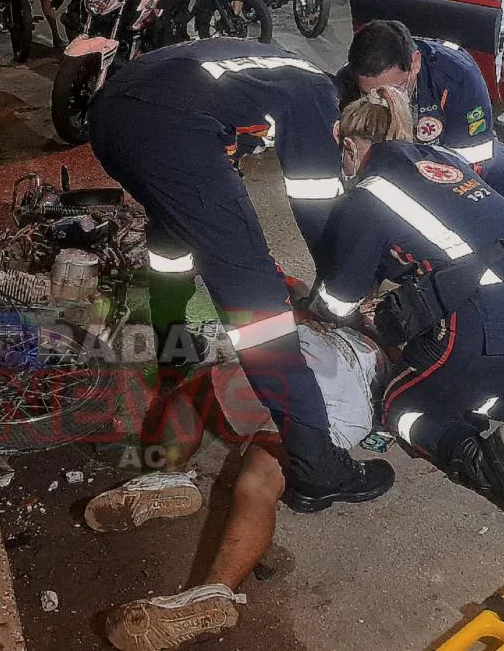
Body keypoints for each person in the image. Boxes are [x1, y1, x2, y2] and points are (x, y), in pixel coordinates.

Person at [85, 37, 395, 649]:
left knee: (175, 254)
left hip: (113, 117)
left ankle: (164, 468)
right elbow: (315, 208)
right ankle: (318, 468)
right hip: (168, 127)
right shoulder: (311, 97)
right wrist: (343, 287)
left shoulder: (273, 70)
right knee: (254, 303)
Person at [309, 85, 504, 535]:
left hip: (501, 327)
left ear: (347, 144)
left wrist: (347, 312)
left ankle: (482, 463)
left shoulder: (368, 194)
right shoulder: (443, 160)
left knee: (400, 404)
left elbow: (338, 302)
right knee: (475, 382)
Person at [336, 20, 504, 227]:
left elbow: (474, 161)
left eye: (395, 89)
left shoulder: (457, 75)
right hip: (385, 169)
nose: (384, 101)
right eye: (369, 94)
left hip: (449, 159)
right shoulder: (345, 82)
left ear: (415, 63)